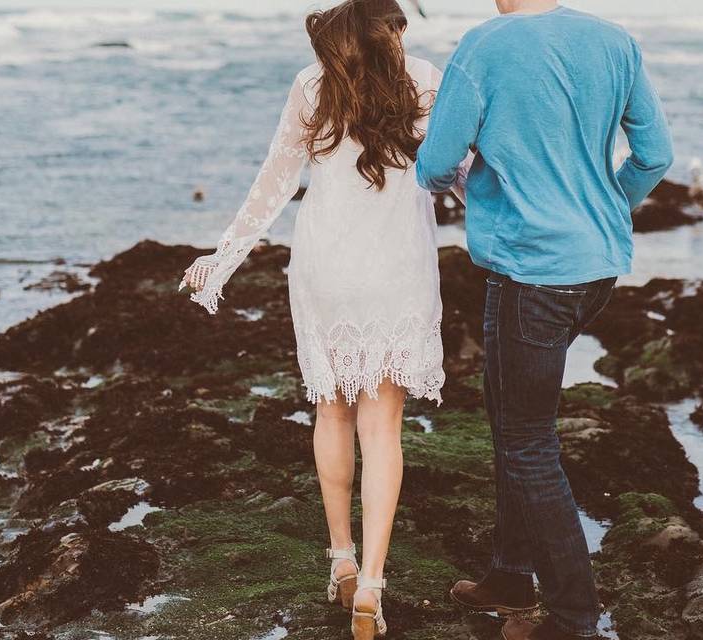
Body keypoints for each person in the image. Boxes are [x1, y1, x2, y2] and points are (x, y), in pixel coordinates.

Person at [179, 2, 466, 638]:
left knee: (331, 410)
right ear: (395, 28)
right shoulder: (427, 79)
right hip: (398, 266)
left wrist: (224, 256)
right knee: (382, 425)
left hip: (325, 266)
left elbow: (275, 180)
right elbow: (460, 176)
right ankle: (371, 584)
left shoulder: (314, 81)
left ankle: (339, 557)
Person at [415, 1, 674, 638]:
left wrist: (466, 181)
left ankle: (572, 617)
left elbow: (435, 161)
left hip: (535, 269)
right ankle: (509, 574)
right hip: (594, 267)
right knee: (508, 415)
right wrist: (609, 204)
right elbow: (655, 155)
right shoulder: (614, 39)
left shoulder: (486, 44)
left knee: (528, 441)